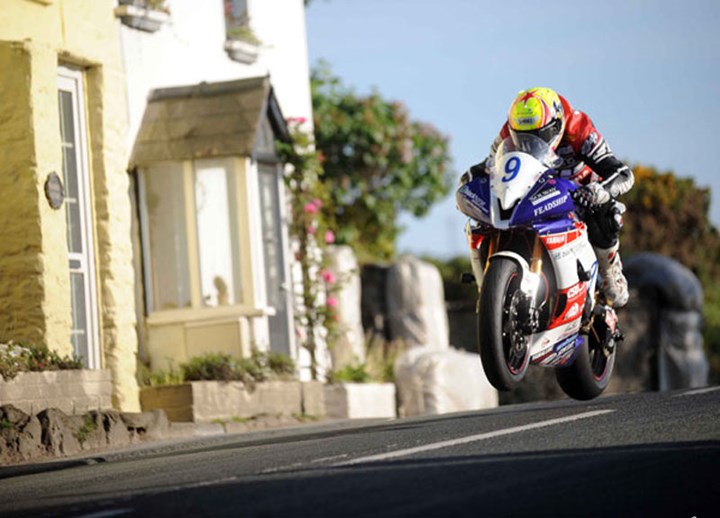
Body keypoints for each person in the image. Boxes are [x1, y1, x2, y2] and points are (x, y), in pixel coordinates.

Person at [462, 87, 633, 308]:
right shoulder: (508, 130)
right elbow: (491, 166)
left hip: (580, 193)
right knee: (482, 222)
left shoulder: (578, 127)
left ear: (556, 125)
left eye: (538, 136)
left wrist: (601, 190)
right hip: (534, 194)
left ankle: (610, 273)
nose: (529, 142)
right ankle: (484, 288)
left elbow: (622, 173)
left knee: (607, 215)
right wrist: (470, 178)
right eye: (521, 136)